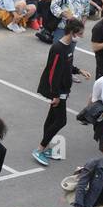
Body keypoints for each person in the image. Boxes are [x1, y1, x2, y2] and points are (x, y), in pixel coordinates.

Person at [33, 19, 89, 166]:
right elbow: (53, 73)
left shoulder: (69, 45)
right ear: (72, 32)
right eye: (80, 33)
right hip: (58, 90)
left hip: (62, 89)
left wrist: (78, 71)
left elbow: (67, 65)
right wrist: (56, 95)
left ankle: (44, 147)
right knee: (60, 121)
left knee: (52, 118)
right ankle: (39, 149)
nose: (82, 36)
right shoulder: (58, 48)